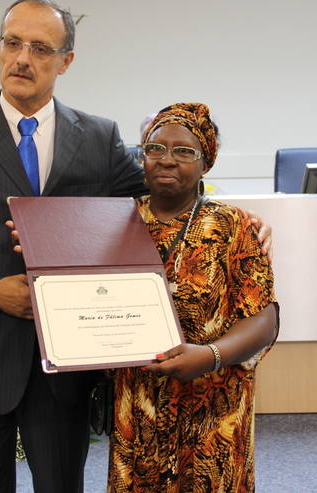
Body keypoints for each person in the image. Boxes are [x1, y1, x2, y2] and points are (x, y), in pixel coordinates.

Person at [0, 0, 271, 493]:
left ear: (65, 61)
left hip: (68, 373)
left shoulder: (98, 138)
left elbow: (167, 180)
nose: (22, 58)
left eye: (40, 47)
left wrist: (237, 219)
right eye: (12, 43)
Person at [108, 103, 280, 493]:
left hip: (213, 404)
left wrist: (211, 355)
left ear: (205, 164)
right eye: (155, 149)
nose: (167, 160)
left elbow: (264, 317)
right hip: (140, 404)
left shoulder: (234, 225)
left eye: (184, 151)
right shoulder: (116, 222)